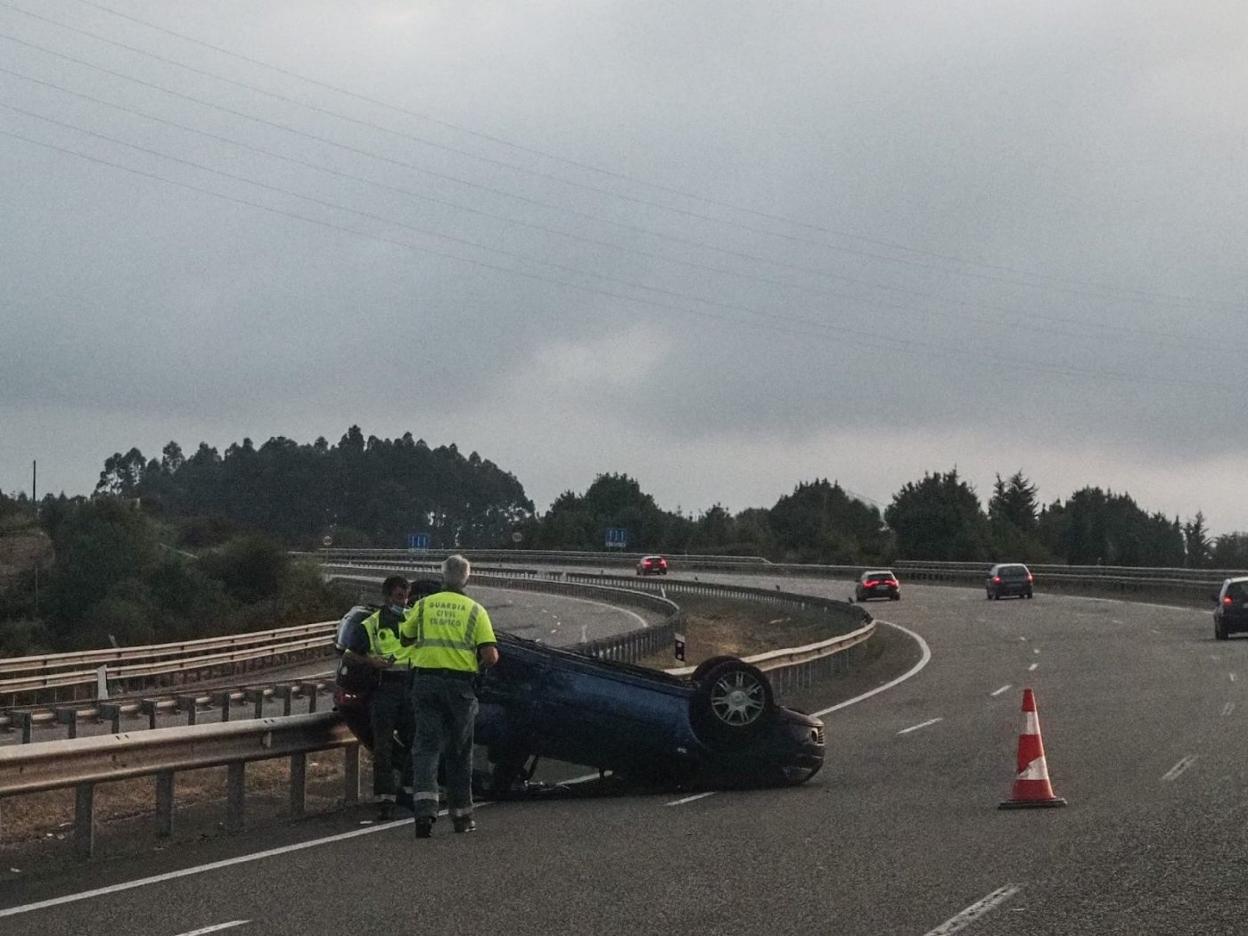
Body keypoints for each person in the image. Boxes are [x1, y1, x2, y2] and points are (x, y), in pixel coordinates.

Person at [401, 554, 499, 838]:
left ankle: (424, 814)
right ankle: (461, 816)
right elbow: (490, 656)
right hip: (459, 687)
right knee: (459, 751)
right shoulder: (475, 610)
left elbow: (406, 637)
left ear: (443, 575)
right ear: (467, 577)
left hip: (426, 683)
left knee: (426, 748)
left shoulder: (423, 605)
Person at [353, 575, 415, 820]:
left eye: (407, 596)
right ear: (387, 597)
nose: (404, 601)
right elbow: (351, 654)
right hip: (384, 689)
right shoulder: (372, 624)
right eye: (400, 596)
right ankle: (385, 799)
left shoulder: (414, 619)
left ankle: (407, 792)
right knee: (383, 747)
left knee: (416, 742)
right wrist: (371, 661)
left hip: (410, 688)